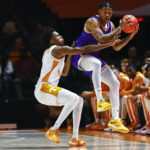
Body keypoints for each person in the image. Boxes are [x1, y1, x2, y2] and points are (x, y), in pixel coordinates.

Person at [34, 28, 117, 147]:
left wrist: (68, 57)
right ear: (52, 41)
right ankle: (54, 129)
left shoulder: (56, 52)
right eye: (58, 35)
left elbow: (65, 73)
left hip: (46, 91)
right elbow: (84, 49)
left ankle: (75, 138)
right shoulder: (57, 49)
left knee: (79, 101)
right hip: (44, 89)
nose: (61, 36)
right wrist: (108, 44)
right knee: (73, 99)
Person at [71, 1, 139, 133]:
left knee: (115, 83)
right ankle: (100, 100)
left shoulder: (111, 25)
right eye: (105, 12)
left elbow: (116, 47)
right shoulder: (92, 22)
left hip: (93, 58)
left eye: (110, 13)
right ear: (99, 11)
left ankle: (115, 119)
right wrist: (121, 28)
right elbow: (102, 39)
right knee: (96, 63)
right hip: (80, 55)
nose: (108, 15)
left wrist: (131, 36)